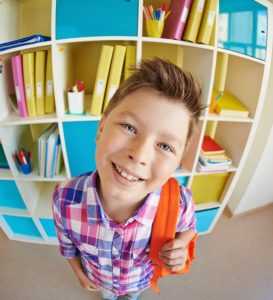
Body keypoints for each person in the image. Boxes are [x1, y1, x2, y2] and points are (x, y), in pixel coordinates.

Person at [52, 57, 204, 300]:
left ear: (177, 163)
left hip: (139, 280)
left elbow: (189, 229)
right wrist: (79, 274)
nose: (140, 155)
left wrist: (182, 245)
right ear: (101, 128)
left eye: (165, 146)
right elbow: (67, 246)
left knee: (132, 296)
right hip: (100, 279)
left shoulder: (180, 202)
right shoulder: (64, 199)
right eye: (130, 127)